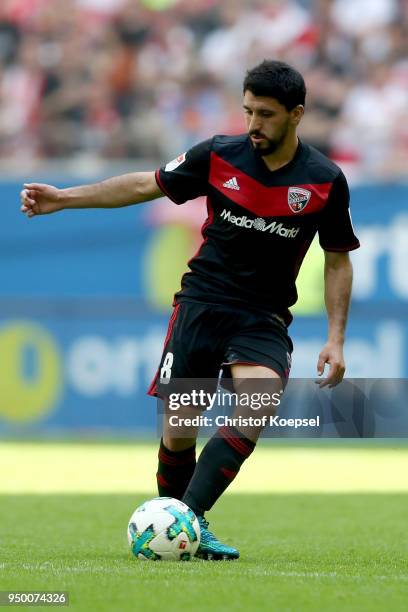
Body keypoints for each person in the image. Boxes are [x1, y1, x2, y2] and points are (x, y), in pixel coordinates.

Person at [20, 60, 360, 560]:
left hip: (262, 316)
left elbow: (337, 260)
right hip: (201, 304)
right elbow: (143, 184)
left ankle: (188, 521)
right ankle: (181, 529)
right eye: (247, 111)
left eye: (265, 114)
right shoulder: (219, 155)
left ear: (296, 114)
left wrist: (335, 337)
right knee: (179, 434)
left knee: (258, 402)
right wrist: (64, 198)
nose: (253, 125)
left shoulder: (324, 181)